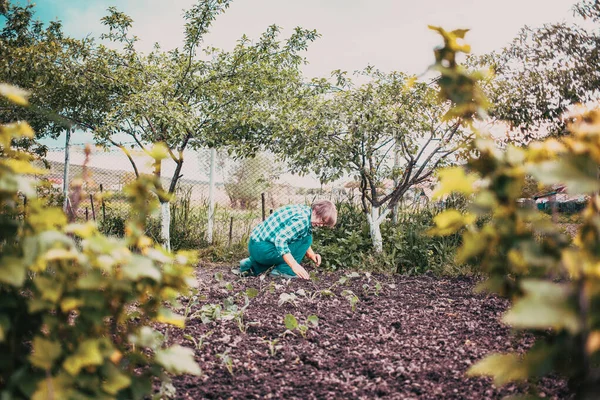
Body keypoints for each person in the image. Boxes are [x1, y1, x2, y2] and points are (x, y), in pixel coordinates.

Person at [238, 200, 337, 280]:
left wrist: (311, 254)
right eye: (322, 220)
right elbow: (280, 241)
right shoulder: (302, 221)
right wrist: (294, 265)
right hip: (263, 249)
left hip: (255, 245)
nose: (320, 225)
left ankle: (251, 265)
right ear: (316, 210)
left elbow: (298, 236)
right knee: (307, 239)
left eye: (324, 225)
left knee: (306, 238)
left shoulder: (304, 211)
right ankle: (283, 271)